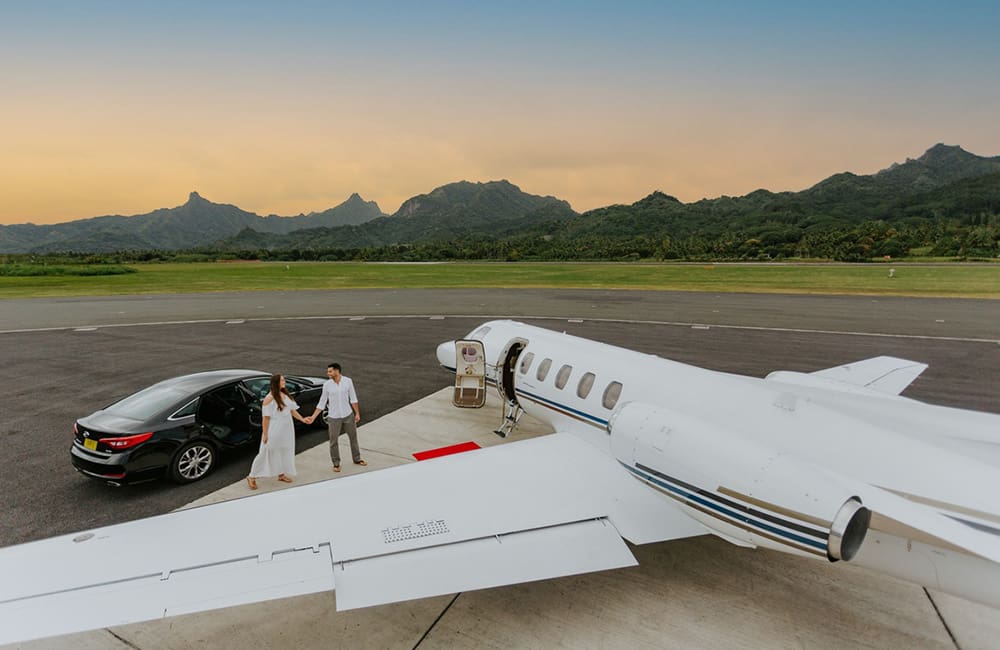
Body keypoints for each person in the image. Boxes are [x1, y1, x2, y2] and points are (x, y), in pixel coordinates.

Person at [246, 374, 307, 489]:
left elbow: (292, 410)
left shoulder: (285, 394)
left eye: (284, 379)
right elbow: (266, 418)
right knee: (266, 452)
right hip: (274, 429)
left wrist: (302, 419)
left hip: (287, 429)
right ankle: (251, 476)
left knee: (284, 450)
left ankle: (281, 474)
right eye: (282, 380)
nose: (284, 382)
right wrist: (265, 434)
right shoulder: (269, 398)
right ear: (276, 383)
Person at [305, 362, 364, 472]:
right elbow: (322, 403)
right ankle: (336, 463)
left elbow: (353, 399)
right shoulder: (327, 385)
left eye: (330, 371)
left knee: (353, 438)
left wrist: (357, 413)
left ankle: (357, 459)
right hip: (333, 417)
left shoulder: (348, 381)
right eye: (328, 371)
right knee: (333, 441)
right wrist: (313, 417)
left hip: (348, 415)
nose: (328, 373)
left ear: (337, 371)